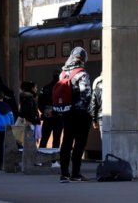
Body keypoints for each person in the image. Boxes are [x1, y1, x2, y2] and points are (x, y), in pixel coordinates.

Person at [57, 46, 92, 183]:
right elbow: (86, 94)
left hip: (66, 112)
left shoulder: (63, 73)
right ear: (84, 58)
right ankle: (76, 174)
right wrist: (85, 110)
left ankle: (64, 174)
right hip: (80, 114)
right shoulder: (82, 73)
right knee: (79, 144)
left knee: (66, 143)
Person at [38, 70, 63, 152]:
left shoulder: (45, 88)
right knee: (56, 139)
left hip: (47, 117)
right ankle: (54, 160)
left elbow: (39, 102)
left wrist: (45, 111)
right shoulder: (63, 88)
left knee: (44, 138)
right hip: (58, 117)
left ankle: (40, 158)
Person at [88, 74, 103, 139]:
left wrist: (94, 121)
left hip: (102, 117)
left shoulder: (97, 89)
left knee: (104, 138)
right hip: (116, 117)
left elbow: (93, 105)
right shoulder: (114, 86)